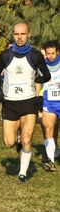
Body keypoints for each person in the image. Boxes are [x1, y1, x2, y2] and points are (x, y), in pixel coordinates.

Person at [0, 22, 51, 183]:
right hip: (10, 102)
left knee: (27, 140)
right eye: (16, 34)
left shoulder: (35, 55)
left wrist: (39, 79)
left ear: (29, 35)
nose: (19, 37)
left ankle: (22, 173)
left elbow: (46, 75)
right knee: (8, 142)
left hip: (29, 101)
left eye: (22, 34)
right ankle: (17, 141)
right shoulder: (5, 55)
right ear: (13, 35)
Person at [41, 40, 60, 172]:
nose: (51, 56)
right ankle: (50, 161)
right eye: (48, 54)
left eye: (53, 53)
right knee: (48, 128)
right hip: (49, 100)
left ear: (57, 52)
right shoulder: (42, 65)